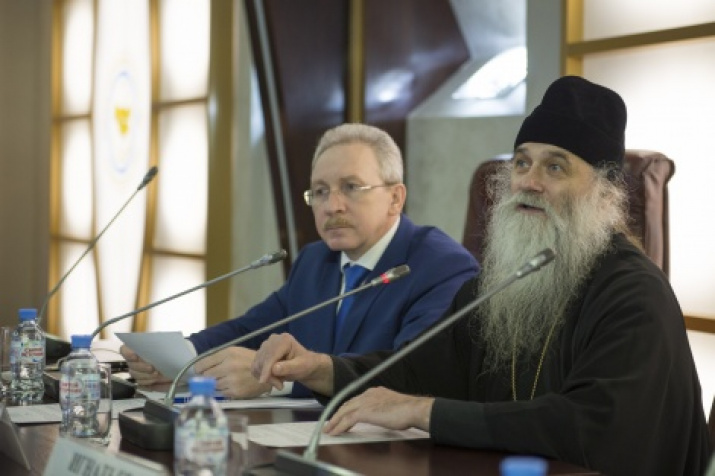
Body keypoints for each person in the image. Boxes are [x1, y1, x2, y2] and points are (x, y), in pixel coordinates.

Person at [251, 77, 712, 475]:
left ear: (605, 192)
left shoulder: (633, 295)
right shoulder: (501, 287)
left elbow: (593, 426)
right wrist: (323, 369)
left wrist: (425, 412)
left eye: (555, 167)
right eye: (521, 162)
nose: (529, 181)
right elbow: (418, 368)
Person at [120, 123, 479, 398]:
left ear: (395, 198)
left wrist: (278, 380)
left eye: (351, 187)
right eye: (320, 191)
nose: (332, 205)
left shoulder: (440, 266)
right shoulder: (316, 260)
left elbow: (411, 377)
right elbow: (253, 329)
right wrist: (178, 359)